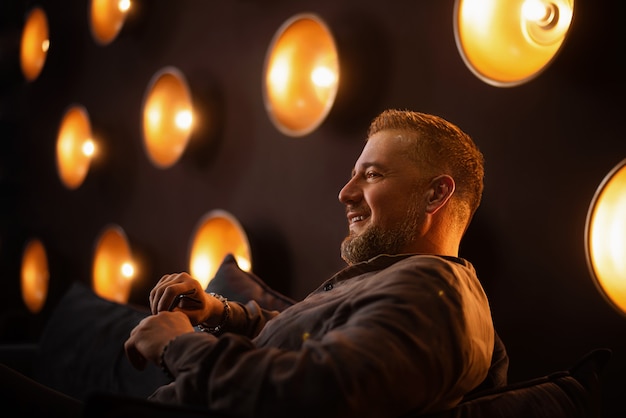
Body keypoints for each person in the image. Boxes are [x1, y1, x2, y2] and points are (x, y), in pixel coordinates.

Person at [122, 109, 505, 418]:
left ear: (436, 193)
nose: (345, 193)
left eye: (372, 175)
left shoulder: (435, 294)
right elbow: (306, 338)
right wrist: (216, 311)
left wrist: (178, 346)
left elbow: (315, 394)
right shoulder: (407, 283)